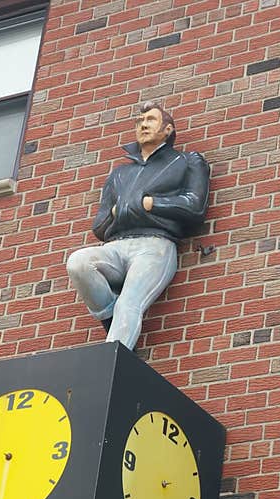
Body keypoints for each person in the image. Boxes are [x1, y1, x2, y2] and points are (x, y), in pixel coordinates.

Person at [66, 101, 210, 350]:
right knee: (78, 263)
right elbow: (99, 226)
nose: (143, 125)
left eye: (151, 120)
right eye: (139, 122)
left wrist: (151, 204)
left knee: (130, 302)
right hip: (117, 245)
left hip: (155, 245)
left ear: (167, 130)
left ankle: (110, 359)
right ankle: (112, 319)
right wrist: (115, 211)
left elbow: (194, 205)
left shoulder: (187, 161)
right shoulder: (120, 174)